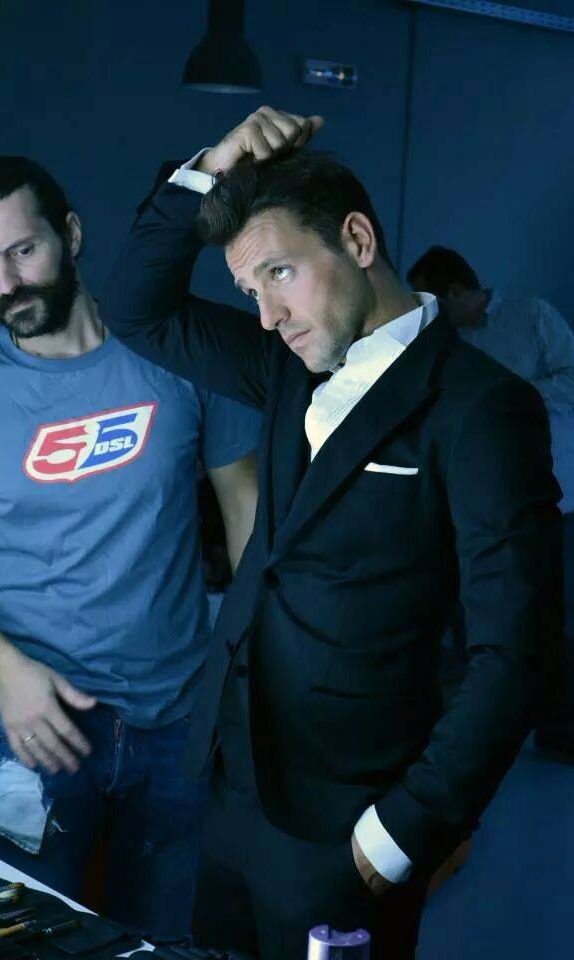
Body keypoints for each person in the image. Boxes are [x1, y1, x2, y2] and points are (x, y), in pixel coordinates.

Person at [101, 108, 562, 960]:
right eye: (250, 291)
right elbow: (134, 308)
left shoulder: (483, 408)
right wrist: (212, 166)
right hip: (228, 791)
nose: (268, 314)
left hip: (348, 823)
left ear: (355, 239)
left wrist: (401, 833)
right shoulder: (283, 364)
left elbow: (516, 651)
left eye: (279, 272)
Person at [0, 157, 260, 941]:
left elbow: (248, 519)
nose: (6, 283)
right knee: (34, 945)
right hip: (30, 726)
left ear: (71, 234)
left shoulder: (177, 350)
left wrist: (247, 683)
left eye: (22, 251)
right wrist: (5, 673)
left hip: (177, 721)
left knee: (163, 943)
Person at [408, 245, 574, 755]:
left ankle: (559, 730)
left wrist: (507, 399)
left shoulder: (532, 316)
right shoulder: (443, 343)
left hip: (558, 496)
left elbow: (573, 380)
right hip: (479, 505)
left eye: (437, 303)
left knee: (560, 614)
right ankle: (481, 735)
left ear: (460, 291)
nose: (431, 315)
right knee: (481, 617)